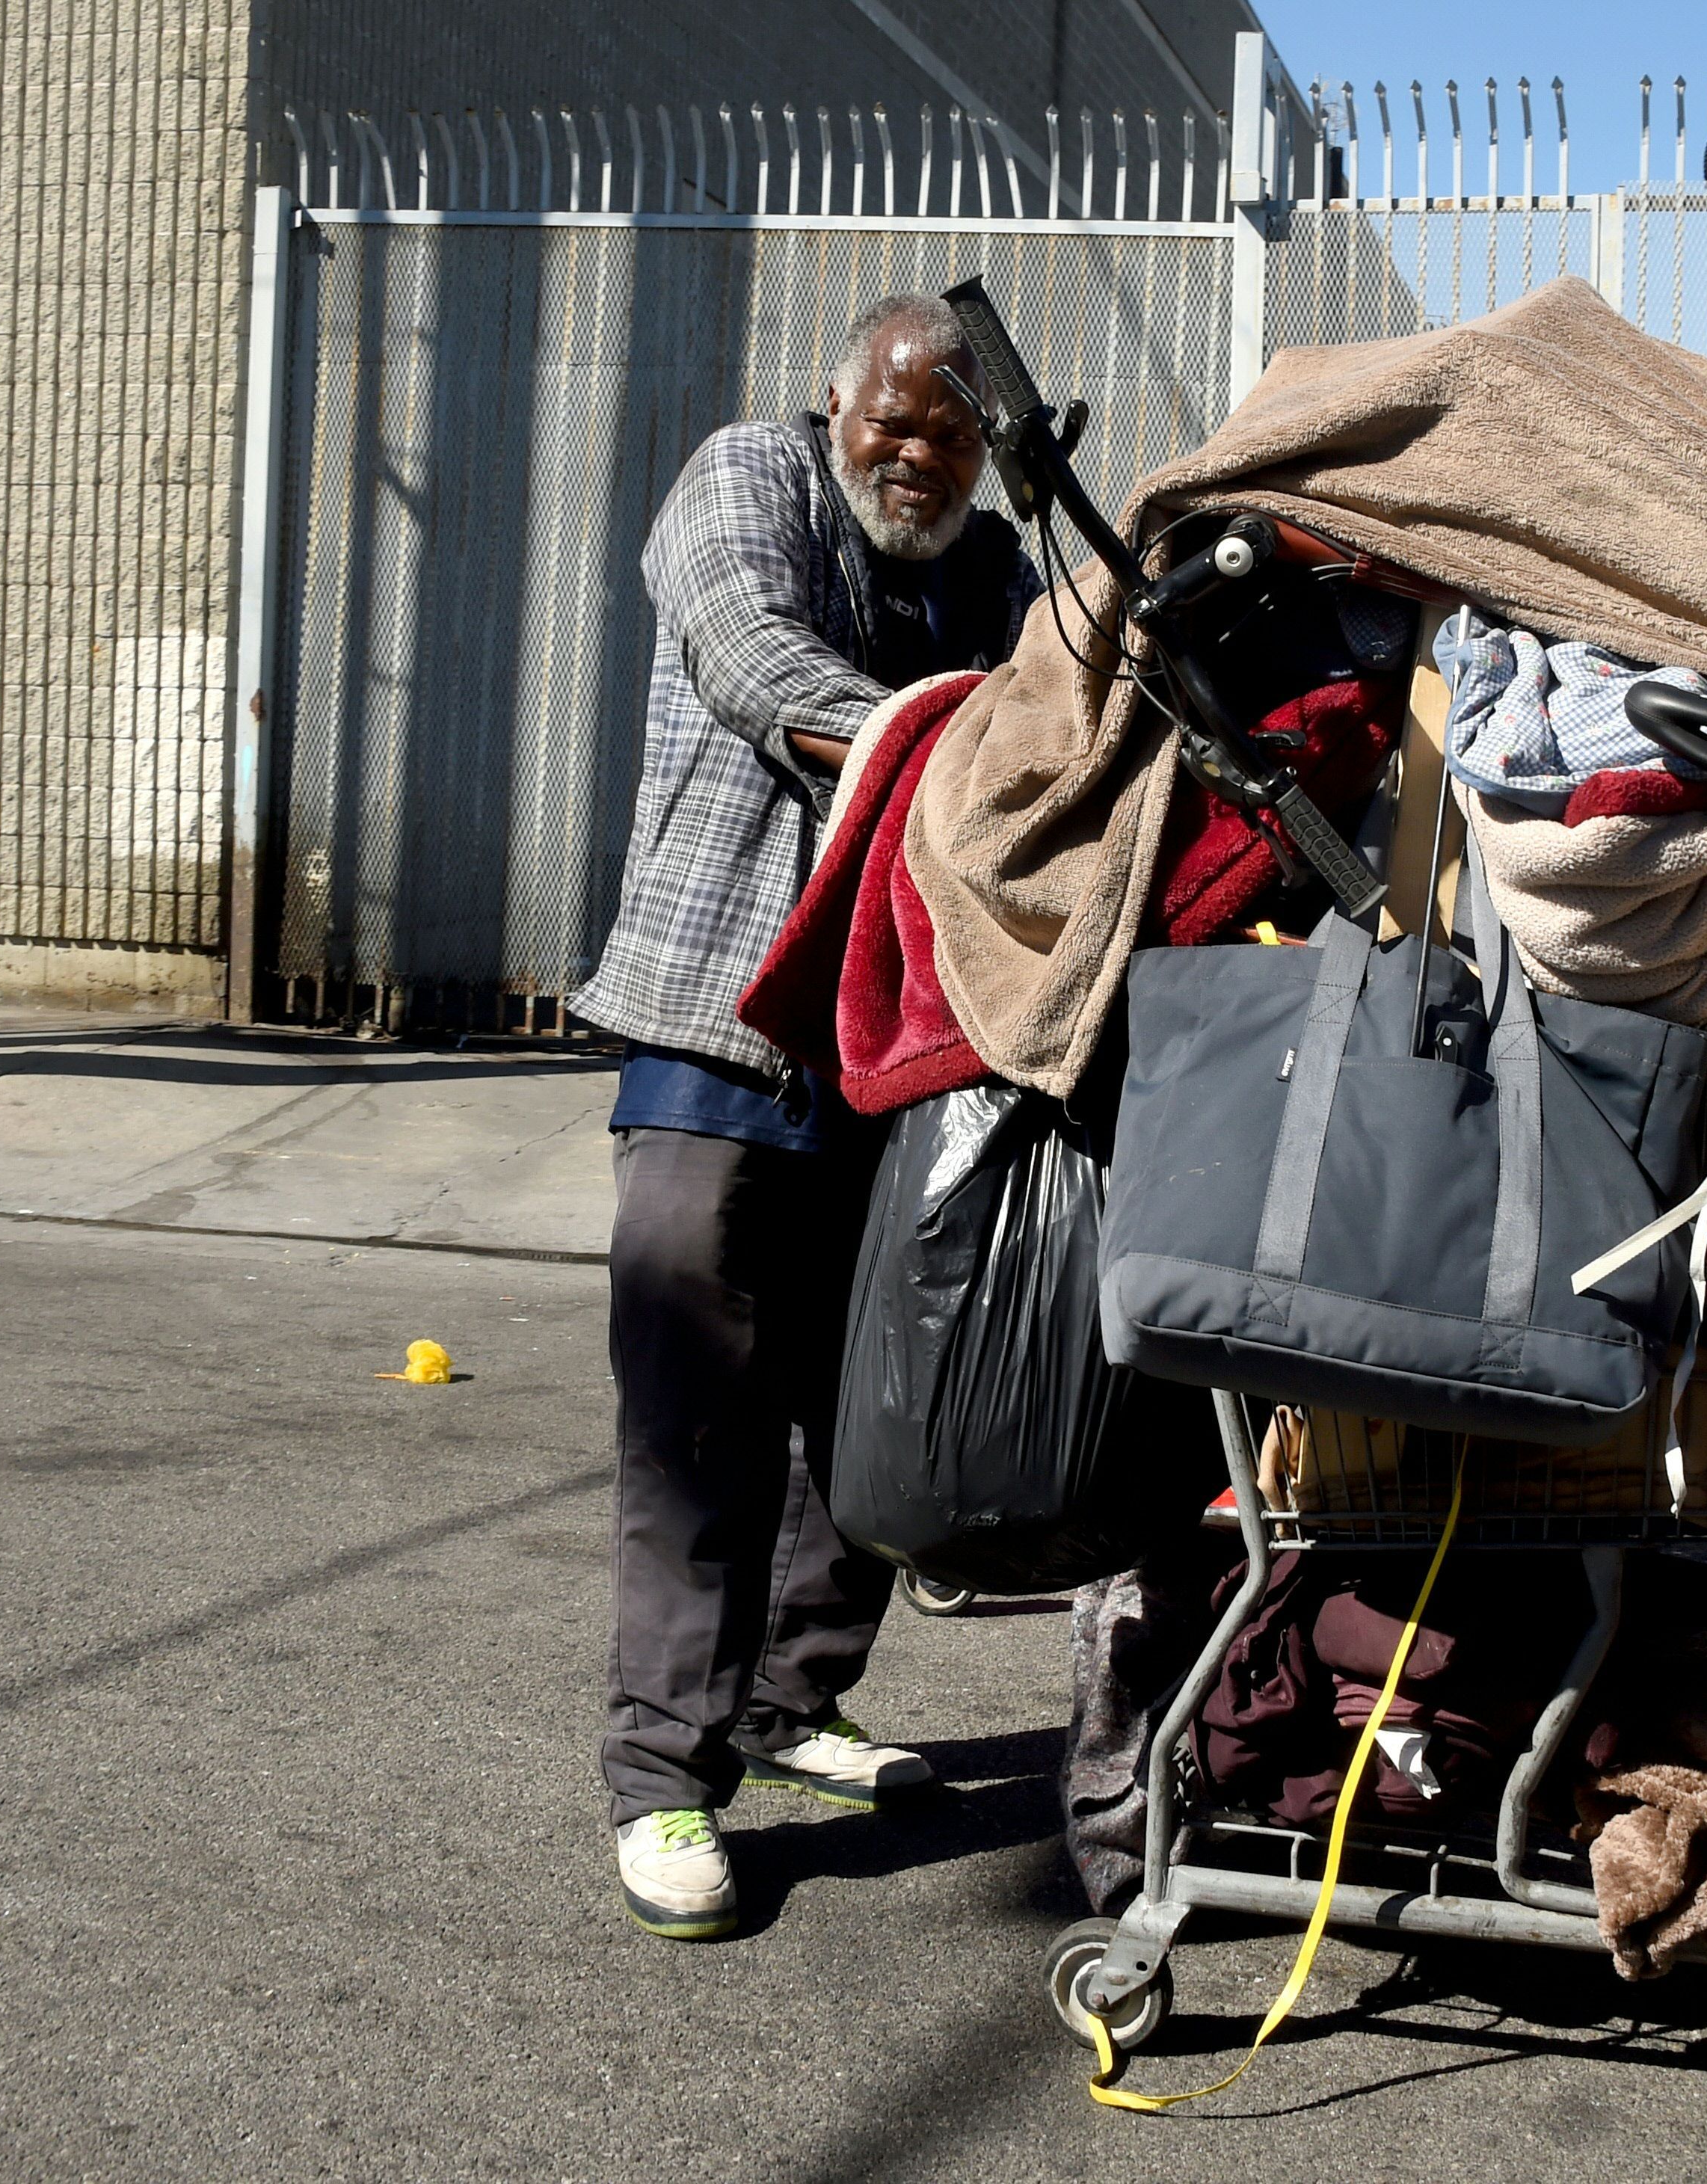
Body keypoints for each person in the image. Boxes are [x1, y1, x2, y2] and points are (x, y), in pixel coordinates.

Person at [568, 293, 1042, 1942]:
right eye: (890, 420)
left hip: (903, 1048)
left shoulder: (993, 573)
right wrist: (957, 752)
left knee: (867, 1401)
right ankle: (662, 1778)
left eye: (953, 435)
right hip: (721, 1018)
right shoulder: (745, 480)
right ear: (834, 401)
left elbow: (1071, 712)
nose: (913, 453)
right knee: (697, 1399)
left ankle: (792, 1703)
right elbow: (753, 652)